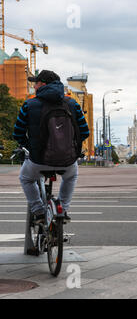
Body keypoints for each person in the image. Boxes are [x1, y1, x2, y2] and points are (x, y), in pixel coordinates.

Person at [13, 70, 90, 224]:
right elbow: (85, 132)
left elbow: (18, 134)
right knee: (71, 176)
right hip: (67, 160)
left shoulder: (29, 104)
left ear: (43, 84)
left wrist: (31, 147)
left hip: (38, 159)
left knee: (25, 178)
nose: (34, 86)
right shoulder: (72, 104)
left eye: (36, 83)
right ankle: (62, 208)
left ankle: (39, 211)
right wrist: (72, 148)